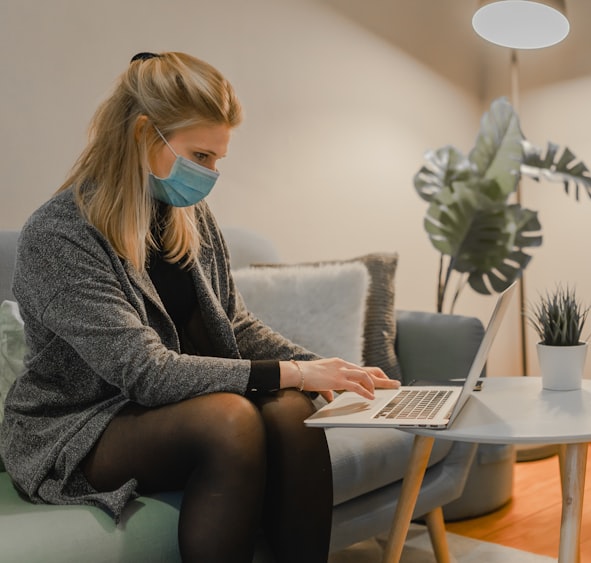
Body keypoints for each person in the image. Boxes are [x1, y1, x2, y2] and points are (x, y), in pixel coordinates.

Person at [0, 52, 400, 563]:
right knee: (229, 420)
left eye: (217, 158)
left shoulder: (187, 216)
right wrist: (296, 371)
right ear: (146, 135)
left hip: (157, 408)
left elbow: (234, 323)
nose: (211, 174)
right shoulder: (59, 236)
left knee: (292, 409)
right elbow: (144, 371)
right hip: (77, 426)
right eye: (201, 156)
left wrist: (332, 374)